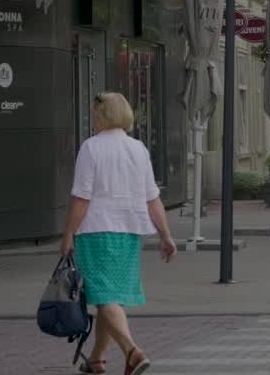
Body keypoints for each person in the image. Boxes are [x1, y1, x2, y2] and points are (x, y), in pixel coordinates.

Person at [60, 92, 176, 375]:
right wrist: (166, 235)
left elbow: (82, 198)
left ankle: (133, 352)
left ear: (102, 115)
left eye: (94, 114)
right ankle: (97, 359)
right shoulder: (138, 149)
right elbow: (152, 198)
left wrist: (68, 234)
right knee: (111, 296)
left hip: (96, 230)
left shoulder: (91, 148)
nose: (92, 120)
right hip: (129, 232)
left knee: (103, 296)